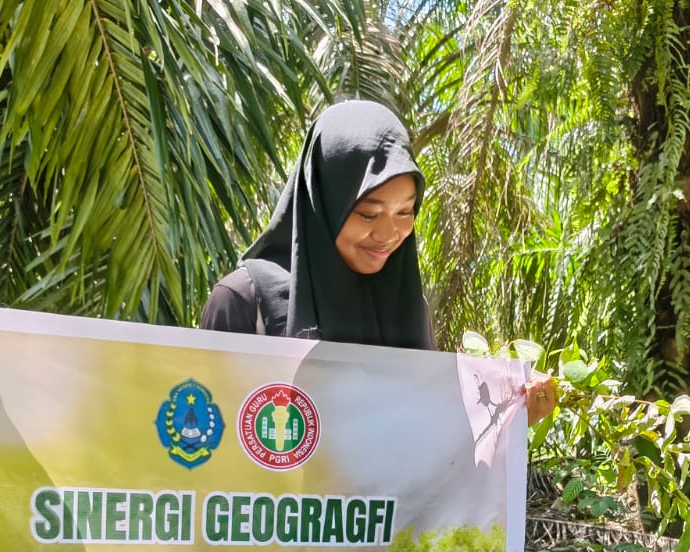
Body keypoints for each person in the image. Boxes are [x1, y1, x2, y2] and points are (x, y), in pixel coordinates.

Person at [199, 99, 558, 423]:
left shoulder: (407, 309)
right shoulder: (244, 302)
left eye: (405, 212)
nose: (388, 234)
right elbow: (209, 441)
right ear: (324, 204)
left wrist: (512, 419)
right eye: (368, 214)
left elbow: (430, 442)